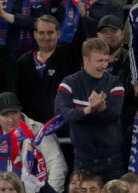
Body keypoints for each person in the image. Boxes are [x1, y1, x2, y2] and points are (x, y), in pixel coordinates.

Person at [52, 40, 125, 182]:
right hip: (83, 160)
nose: (104, 65)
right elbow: (60, 114)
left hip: (112, 160)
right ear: (86, 59)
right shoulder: (69, 83)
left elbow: (115, 114)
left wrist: (101, 108)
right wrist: (87, 110)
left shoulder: (115, 82)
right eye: (99, 61)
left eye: (106, 60)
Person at [11, 17, 79, 127]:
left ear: (58, 34)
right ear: (35, 34)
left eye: (50, 33)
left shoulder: (70, 57)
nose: (46, 37)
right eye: (41, 33)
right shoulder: (23, 62)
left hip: (64, 126)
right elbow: (18, 97)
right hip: (33, 128)